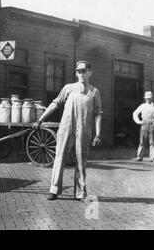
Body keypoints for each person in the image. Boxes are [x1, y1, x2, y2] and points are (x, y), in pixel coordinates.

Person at [33, 61, 103, 201]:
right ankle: (54, 190)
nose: (82, 74)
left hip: (84, 131)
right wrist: (40, 119)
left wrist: (98, 133)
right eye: (79, 71)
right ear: (76, 73)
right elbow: (55, 104)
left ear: (90, 72)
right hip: (66, 128)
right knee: (59, 158)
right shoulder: (68, 88)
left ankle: (80, 193)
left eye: (85, 71)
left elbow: (98, 114)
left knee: (81, 161)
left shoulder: (95, 92)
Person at [132, 91, 154, 162]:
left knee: (153, 142)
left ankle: (152, 158)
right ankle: (139, 156)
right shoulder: (142, 106)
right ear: (145, 98)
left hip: (153, 124)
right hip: (144, 124)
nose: (148, 99)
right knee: (142, 141)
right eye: (147, 98)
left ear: (152, 98)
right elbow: (135, 113)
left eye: (149, 98)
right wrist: (138, 121)